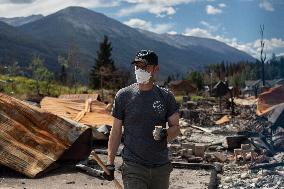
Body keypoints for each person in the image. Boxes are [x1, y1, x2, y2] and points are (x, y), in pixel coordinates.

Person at [104, 49, 181, 189]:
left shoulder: (166, 97)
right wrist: (110, 163)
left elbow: (176, 128)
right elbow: (115, 131)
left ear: (155, 68)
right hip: (133, 166)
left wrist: (165, 133)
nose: (140, 70)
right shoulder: (123, 96)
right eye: (137, 66)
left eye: (145, 67)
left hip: (160, 167)